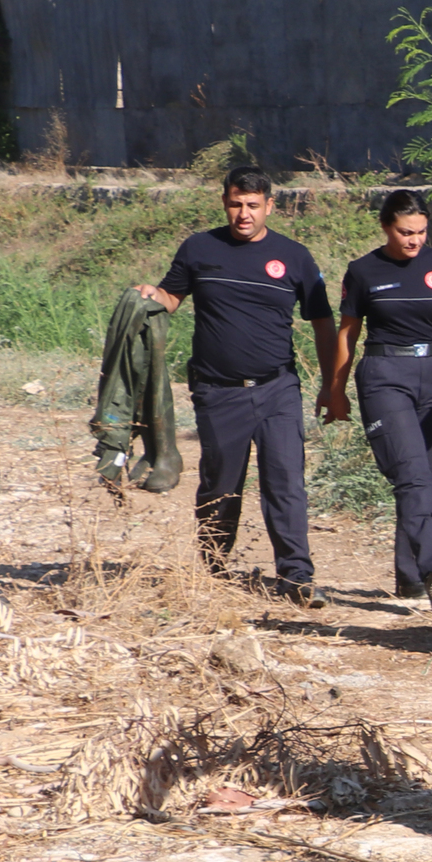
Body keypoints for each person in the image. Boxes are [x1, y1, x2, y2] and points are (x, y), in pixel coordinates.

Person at [136, 167, 337, 609]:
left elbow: (323, 322)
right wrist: (149, 296)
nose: (242, 214)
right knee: (220, 483)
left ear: (269, 205)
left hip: (277, 388)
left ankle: (297, 576)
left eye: (252, 205)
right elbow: (171, 298)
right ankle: (212, 568)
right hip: (217, 391)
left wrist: (331, 383)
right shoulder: (199, 248)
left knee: (285, 480)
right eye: (234, 204)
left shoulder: (295, 256)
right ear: (224, 202)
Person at [324, 190, 432, 612]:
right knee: (411, 474)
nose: (414, 240)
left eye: (420, 232)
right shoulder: (363, 271)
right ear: (385, 227)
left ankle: (410, 579)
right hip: (384, 376)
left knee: (425, 480)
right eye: (404, 232)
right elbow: (348, 334)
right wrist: (336, 389)